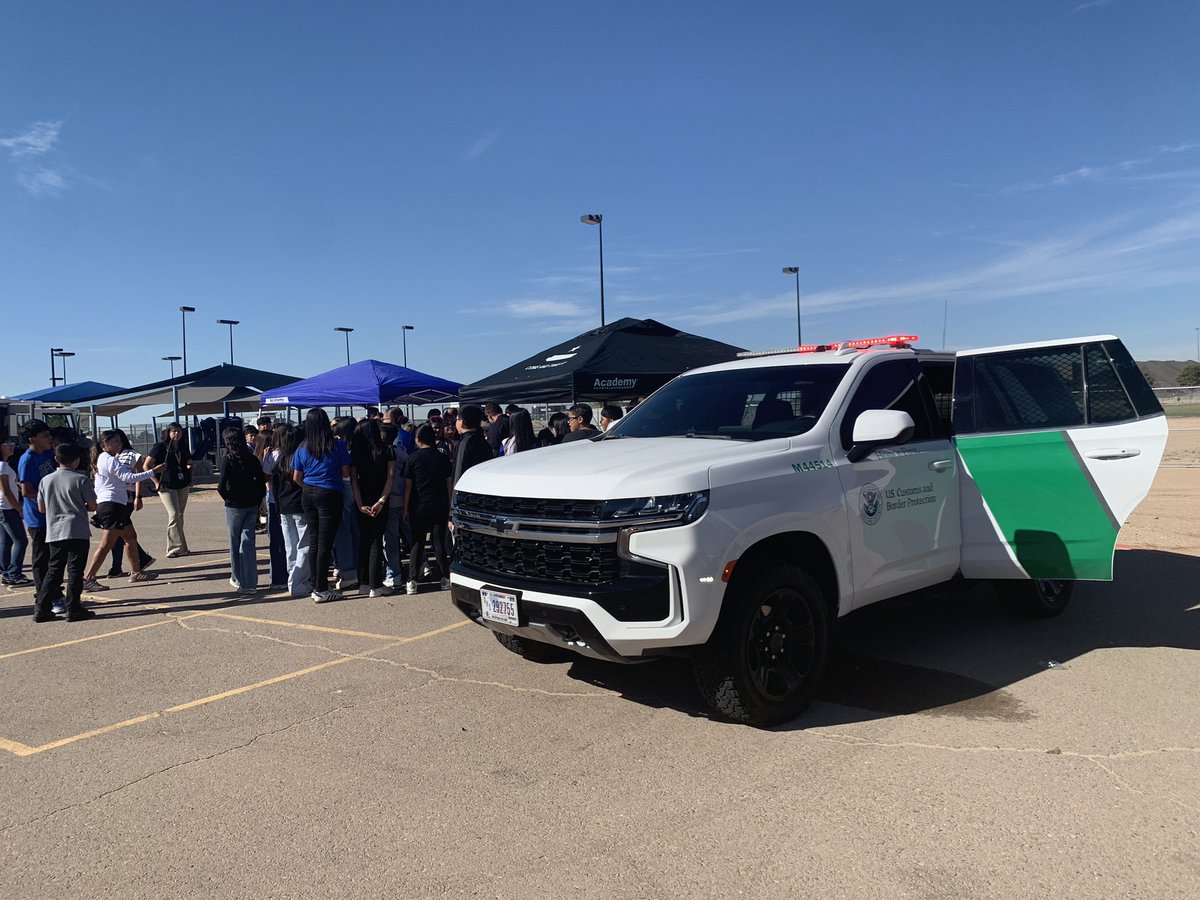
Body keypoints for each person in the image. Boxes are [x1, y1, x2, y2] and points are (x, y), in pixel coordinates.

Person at [81, 431, 163, 593]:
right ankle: (88, 578)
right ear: (105, 444)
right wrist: (154, 471)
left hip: (115, 504)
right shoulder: (109, 459)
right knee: (107, 544)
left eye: (119, 441)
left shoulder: (105, 459)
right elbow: (129, 477)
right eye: (115, 442)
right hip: (111, 505)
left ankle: (136, 572)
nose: (119, 444)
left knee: (130, 537)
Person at [31, 443, 97, 623]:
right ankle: (73, 607)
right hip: (77, 529)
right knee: (75, 570)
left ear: (56, 460)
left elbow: (42, 508)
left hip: (55, 530)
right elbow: (92, 505)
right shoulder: (80, 479)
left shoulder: (46, 480)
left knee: (53, 570)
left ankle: (41, 607)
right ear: (76, 461)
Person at [291, 408, 352, 603]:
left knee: (315, 541)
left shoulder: (302, 447)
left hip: (308, 493)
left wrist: (310, 485)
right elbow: (345, 472)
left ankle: (317, 585)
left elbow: (296, 477)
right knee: (326, 542)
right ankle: (322, 588)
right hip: (330, 492)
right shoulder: (336, 445)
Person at [217, 426, 266, 599]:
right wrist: (257, 499)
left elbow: (221, 486)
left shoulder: (228, 459)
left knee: (234, 542)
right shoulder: (252, 459)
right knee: (248, 542)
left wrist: (229, 499)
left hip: (234, 506)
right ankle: (250, 582)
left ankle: (237, 577)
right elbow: (261, 482)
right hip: (250, 504)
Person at [402, 424, 451, 595]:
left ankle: (412, 580)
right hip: (439, 504)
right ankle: (445, 577)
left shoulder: (412, 458)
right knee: (438, 542)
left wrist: (406, 508)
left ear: (418, 439)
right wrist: (450, 505)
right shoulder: (443, 458)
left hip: (418, 505)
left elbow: (408, 487)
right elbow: (448, 484)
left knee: (417, 542)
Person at [349, 418, 395, 597]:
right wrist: (381, 501)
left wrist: (360, 504)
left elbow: (353, 480)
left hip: (361, 498)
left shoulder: (355, 453)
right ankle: (376, 583)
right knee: (377, 539)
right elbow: (391, 477)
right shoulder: (387, 450)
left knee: (364, 539)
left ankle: (364, 582)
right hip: (380, 498)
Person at [17, 420, 58, 597]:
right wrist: (47, 501)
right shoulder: (27, 459)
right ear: (32, 439)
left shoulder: (49, 454)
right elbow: (26, 490)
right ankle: (43, 595)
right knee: (41, 558)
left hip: (54, 515)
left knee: (54, 557)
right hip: (38, 516)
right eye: (45, 436)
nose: (49, 438)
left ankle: (54, 591)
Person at [108, 429, 155, 578]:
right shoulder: (112, 456)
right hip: (115, 498)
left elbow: (138, 476)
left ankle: (118, 567)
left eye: (115, 440)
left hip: (127, 497)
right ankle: (139, 559)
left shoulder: (132, 455)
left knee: (118, 532)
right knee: (120, 532)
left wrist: (138, 497)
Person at [273, 426, 312, 599]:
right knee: (304, 546)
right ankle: (297, 582)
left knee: (291, 547)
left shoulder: (280, 460)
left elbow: (274, 488)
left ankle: (294, 579)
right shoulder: (300, 458)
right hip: (299, 506)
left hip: (284, 508)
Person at [147, 422, 192, 558]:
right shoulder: (160, 447)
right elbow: (146, 465)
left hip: (182, 484)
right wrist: (156, 482)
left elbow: (189, 462)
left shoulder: (183, 446)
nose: (176, 434)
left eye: (178, 431)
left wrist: (189, 472)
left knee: (180, 515)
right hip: (166, 485)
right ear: (168, 433)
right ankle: (173, 548)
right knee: (173, 514)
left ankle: (182, 547)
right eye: (173, 431)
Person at [330, 415, 360, 590]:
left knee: (343, 531)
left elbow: (345, 472)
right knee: (355, 529)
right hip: (357, 489)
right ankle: (356, 567)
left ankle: (348, 570)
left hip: (344, 487)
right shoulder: (359, 446)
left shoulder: (342, 447)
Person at [260, 424, 290, 588]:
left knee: (277, 540)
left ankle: (279, 578)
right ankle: (297, 575)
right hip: (294, 501)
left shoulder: (273, 455)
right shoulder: (296, 452)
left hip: (275, 501)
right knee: (294, 540)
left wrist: (265, 458)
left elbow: (265, 476)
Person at [1, 438, 31, 587]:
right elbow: (6, 491)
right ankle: (14, 573)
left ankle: (7, 572)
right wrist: (18, 508)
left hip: (4, 508)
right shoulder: (2, 467)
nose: (11, 447)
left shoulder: (5, 465)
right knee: (21, 540)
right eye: (8, 445)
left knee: (6, 541)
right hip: (7, 508)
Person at [453, 404, 493, 485]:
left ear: (462, 422)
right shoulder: (484, 442)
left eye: (457, 419)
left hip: (466, 491)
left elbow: (459, 472)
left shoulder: (465, 443)